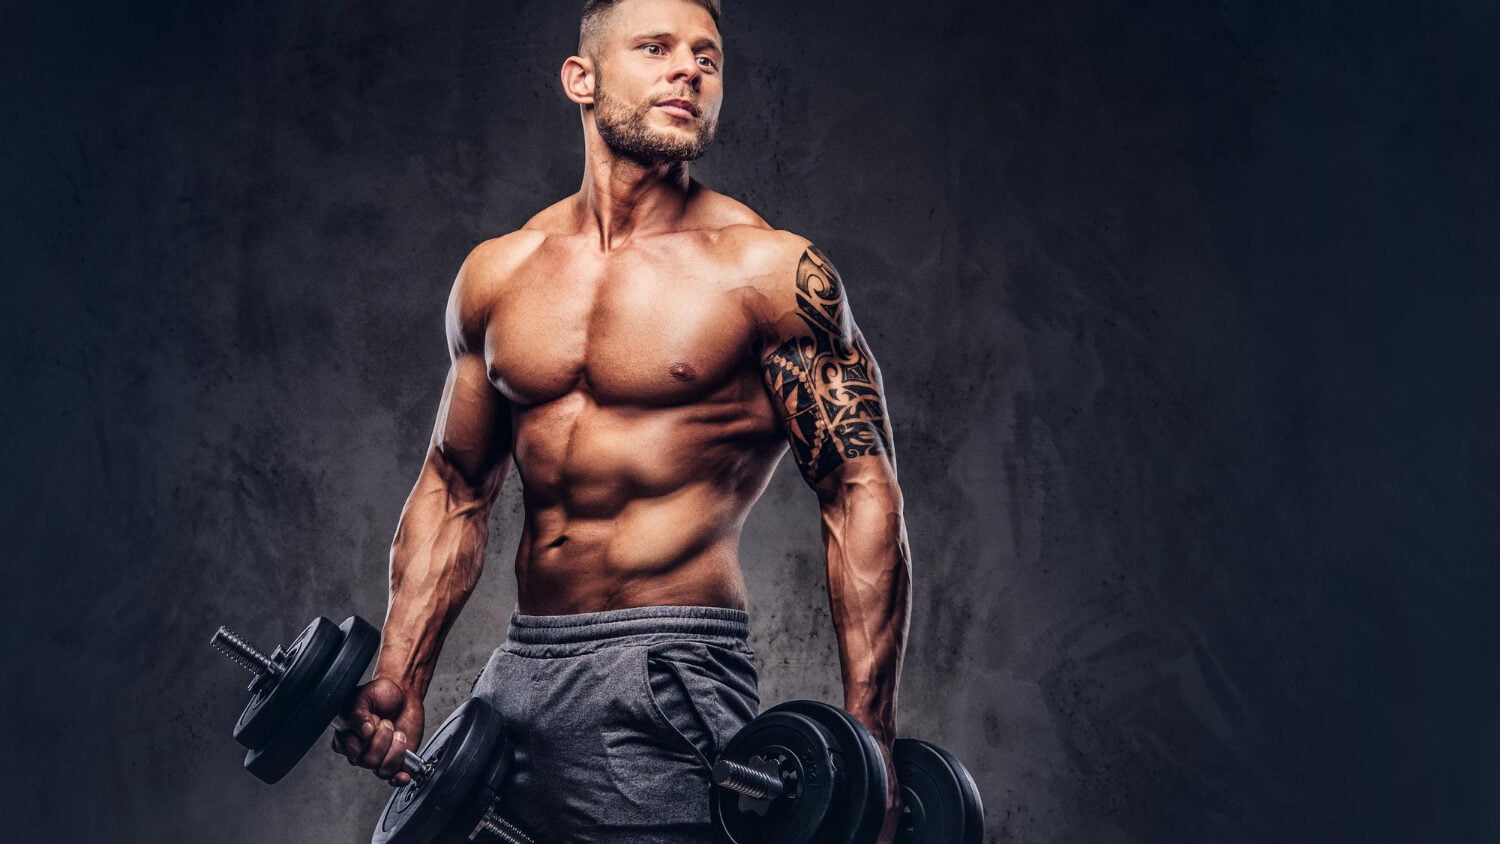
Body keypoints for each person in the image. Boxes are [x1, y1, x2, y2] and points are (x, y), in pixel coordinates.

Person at [332, 0, 911, 840]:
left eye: (708, 58)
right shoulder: (500, 274)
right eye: (657, 48)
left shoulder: (766, 271)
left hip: (667, 668)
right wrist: (402, 672)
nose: (690, 70)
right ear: (582, 78)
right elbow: (456, 487)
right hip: (522, 668)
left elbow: (860, 492)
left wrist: (870, 742)